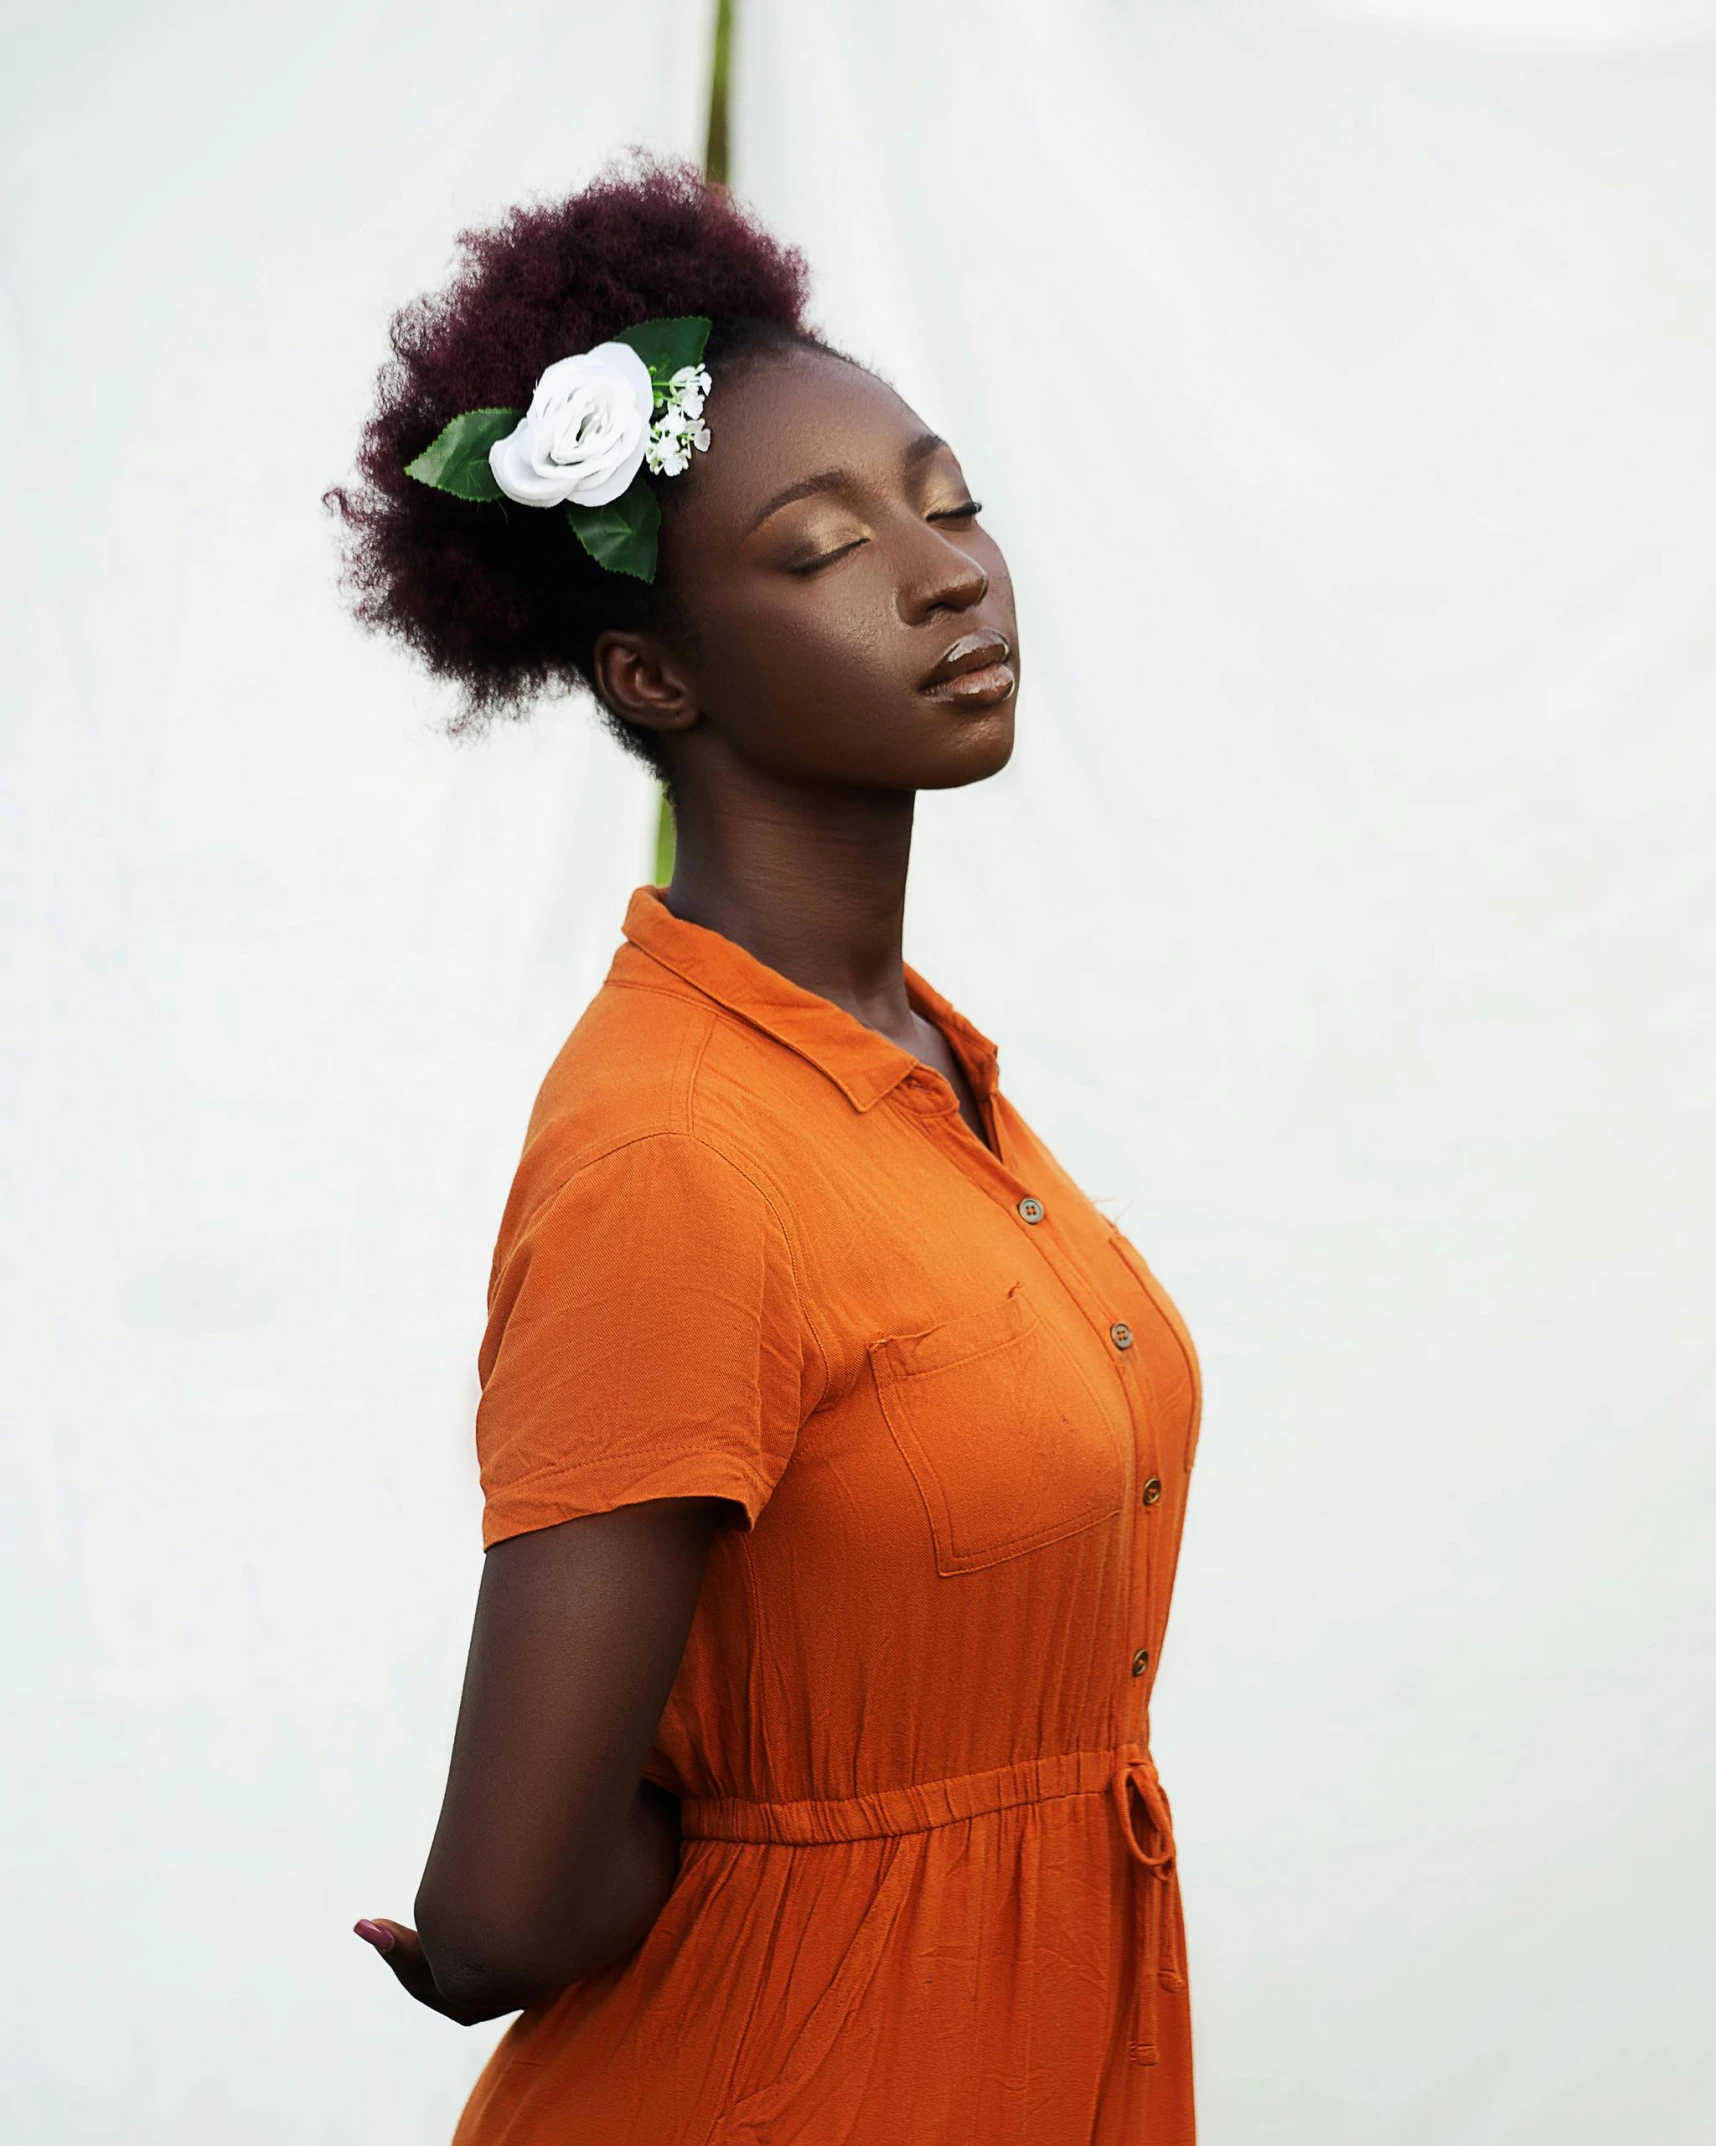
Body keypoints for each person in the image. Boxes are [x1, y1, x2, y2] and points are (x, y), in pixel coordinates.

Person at [330, 156, 1202, 2146]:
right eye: (823, 547)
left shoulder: (917, 1075)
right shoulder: (677, 1147)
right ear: (656, 676)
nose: (949, 568)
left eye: (950, 501)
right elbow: (500, 1905)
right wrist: (814, 1845)